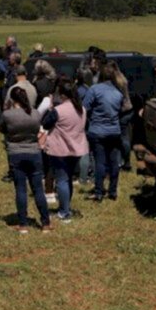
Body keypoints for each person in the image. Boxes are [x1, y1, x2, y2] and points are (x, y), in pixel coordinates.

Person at [0, 87, 51, 233]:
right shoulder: (35, 113)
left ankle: (23, 224)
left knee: (20, 189)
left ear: (12, 99)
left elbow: (2, 129)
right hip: (34, 152)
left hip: (15, 153)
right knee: (38, 189)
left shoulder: (8, 114)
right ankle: (45, 222)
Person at [42, 80, 89, 223]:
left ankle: (64, 212)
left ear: (62, 95)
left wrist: (50, 110)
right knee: (67, 179)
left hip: (59, 149)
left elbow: (45, 124)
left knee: (61, 180)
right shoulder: (82, 109)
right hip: (76, 148)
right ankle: (65, 206)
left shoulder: (59, 110)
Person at [83, 63, 129, 201]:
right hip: (114, 131)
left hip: (97, 130)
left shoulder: (95, 89)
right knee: (114, 161)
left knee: (100, 162)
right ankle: (113, 191)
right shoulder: (118, 92)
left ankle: (98, 191)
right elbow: (121, 110)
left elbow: (85, 107)